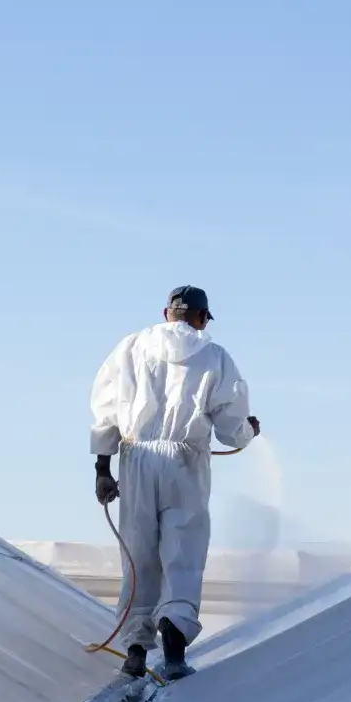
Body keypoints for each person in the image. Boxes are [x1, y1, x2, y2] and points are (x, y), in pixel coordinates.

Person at [89, 285, 260, 681]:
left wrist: (103, 468)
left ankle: (134, 650)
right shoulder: (215, 357)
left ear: (167, 313)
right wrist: (248, 432)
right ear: (201, 317)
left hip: (137, 458)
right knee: (183, 550)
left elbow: (105, 410)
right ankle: (174, 647)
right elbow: (231, 428)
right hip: (185, 461)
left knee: (139, 550)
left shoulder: (130, 349)